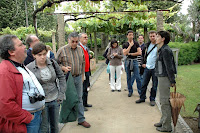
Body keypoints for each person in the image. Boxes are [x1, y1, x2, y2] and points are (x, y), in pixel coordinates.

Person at [0, 35, 45, 133]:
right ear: (11, 52)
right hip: (26, 122)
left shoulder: (19, 65)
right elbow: (5, 105)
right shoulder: (5, 71)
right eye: (20, 45)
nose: (25, 47)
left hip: (34, 116)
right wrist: (28, 118)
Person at [27, 42, 66, 133]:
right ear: (34, 55)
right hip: (41, 103)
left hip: (55, 99)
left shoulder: (52, 63)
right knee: (44, 127)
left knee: (55, 126)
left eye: (44, 54)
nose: (42, 57)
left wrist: (61, 94)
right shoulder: (29, 68)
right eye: (39, 55)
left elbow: (61, 77)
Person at [56, 32, 91, 128]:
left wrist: (83, 75)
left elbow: (83, 63)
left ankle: (81, 119)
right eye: (73, 41)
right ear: (68, 40)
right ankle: (65, 117)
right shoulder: (62, 50)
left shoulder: (80, 50)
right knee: (66, 99)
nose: (75, 43)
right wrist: (63, 68)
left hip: (78, 77)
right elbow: (55, 64)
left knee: (79, 98)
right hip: (67, 79)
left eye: (76, 41)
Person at [154, 31, 176, 132]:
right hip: (161, 77)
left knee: (164, 101)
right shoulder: (162, 49)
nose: (155, 38)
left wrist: (172, 80)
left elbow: (169, 67)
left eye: (158, 36)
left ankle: (167, 126)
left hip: (165, 78)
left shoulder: (165, 50)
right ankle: (163, 121)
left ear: (163, 39)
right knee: (162, 100)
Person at [135, 30, 158, 106]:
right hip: (147, 68)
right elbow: (143, 56)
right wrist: (143, 63)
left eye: (153, 36)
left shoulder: (159, 45)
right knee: (144, 83)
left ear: (156, 36)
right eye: (151, 36)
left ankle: (152, 99)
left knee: (154, 85)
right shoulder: (147, 45)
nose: (152, 37)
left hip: (155, 68)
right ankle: (142, 97)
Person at [123, 30, 142, 97]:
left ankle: (140, 92)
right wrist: (130, 46)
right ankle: (130, 91)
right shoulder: (125, 44)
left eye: (132, 35)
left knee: (138, 77)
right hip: (127, 61)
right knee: (128, 77)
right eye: (129, 35)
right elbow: (125, 53)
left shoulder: (136, 43)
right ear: (127, 36)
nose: (131, 36)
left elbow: (139, 52)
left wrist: (130, 53)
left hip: (135, 61)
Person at [78, 33, 92, 111]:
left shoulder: (86, 48)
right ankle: (81, 105)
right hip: (81, 71)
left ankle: (85, 103)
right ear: (80, 38)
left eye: (87, 37)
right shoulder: (78, 47)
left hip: (87, 70)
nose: (86, 38)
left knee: (86, 87)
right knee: (81, 88)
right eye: (84, 37)